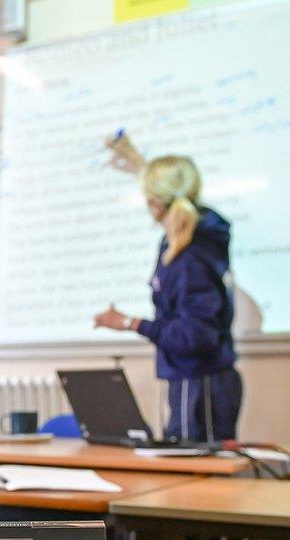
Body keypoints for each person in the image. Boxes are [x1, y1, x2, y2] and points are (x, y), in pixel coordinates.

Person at [95, 134, 241, 442]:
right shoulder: (196, 238)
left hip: (199, 384)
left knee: (195, 480)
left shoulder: (190, 256)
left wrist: (130, 323)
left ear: (155, 202)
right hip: (195, 380)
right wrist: (136, 162)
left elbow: (194, 335)